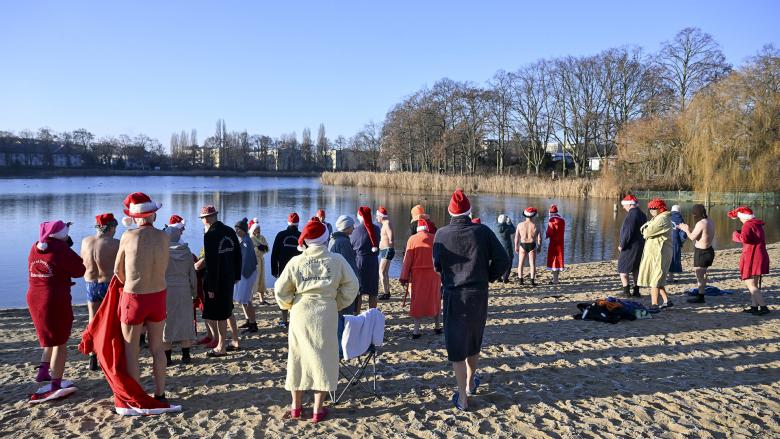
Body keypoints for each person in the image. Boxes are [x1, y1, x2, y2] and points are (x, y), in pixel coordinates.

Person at [275, 217, 359, 423]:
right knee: (325, 357)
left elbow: (279, 289)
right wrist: (338, 302)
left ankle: (296, 407)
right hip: (326, 311)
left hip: (300, 312)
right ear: (325, 239)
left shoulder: (296, 261)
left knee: (298, 357)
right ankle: (317, 409)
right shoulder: (337, 260)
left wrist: (289, 303)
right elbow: (353, 286)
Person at [433, 189, 510, 411]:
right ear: (469, 211)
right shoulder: (483, 232)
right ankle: (469, 384)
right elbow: (503, 260)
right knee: (474, 341)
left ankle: (462, 397)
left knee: (456, 345)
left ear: (450, 212)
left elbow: (437, 265)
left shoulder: (441, 235)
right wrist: (489, 276)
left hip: (453, 294)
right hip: (478, 293)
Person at [114, 192, 170, 402]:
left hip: (135, 296)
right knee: (157, 348)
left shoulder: (128, 236)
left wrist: (128, 282)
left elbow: (117, 271)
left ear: (136, 217)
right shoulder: (165, 237)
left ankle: (136, 395)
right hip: (158, 295)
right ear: (153, 216)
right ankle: (160, 393)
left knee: (132, 350)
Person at [27, 220, 86, 403]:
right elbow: (80, 269)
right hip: (54, 299)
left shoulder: (36, 246)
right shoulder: (60, 249)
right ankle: (55, 384)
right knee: (60, 342)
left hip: (34, 297)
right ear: (62, 234)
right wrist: (68, 248)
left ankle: (44, 371)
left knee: (49, 335)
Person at [200, 205, 242, 357]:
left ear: (208, 218)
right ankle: (234, 341)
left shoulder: (210, 234)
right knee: (227, 309)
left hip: (217, 280)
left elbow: (211, 263)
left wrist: (210, 287)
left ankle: (221, 346)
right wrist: (237, 275)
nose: (203, 221)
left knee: (219, 314)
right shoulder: (230, 230)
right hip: (229, 277)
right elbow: (238, 255)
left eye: (203, 218)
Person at [80, 213, 120, 371]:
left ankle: (92, 355)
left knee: (92, 319)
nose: (116, 230)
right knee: (112, 320)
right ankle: (109, 353)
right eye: (115, 227)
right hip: (108, 284)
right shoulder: (115, 243)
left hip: (91, 284)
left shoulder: (85, 241)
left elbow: (82, 261)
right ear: (110, 227)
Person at [162, 215, 196, 365]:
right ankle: (186, 356)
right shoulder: (186, 251)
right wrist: (194, 292)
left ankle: (168, 358)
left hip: (166, 290)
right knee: (185, 322)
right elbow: (192, 274)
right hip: (183, 290)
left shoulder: (162, 252)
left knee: (166, 323)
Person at [400, 218, 442, 338]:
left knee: (417, 300)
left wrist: (404, 276)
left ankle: (416, 330)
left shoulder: (412, 239)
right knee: (435, 299)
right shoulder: (435, 238)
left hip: (418, 275)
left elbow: (407, 259)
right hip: (434, 274)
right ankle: (437, 326)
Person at [729, 206, 771, 315]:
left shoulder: (747, 224)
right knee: (754, 283)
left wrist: (735, 234)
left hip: (752, 256)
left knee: (749, 283)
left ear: (744, 217)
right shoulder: (756, 223)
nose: (740, 220)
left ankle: (763, 307)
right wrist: (741, 232)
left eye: (739, 217)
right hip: (759, 255)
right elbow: (752, 237)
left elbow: (744, 239)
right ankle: (754, 306)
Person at [637, 199, 674, 310]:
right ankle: (667, 301)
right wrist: (645, 228)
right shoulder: (658, 218)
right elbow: (644, 228)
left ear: (660, 208)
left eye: (653, 208)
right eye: (650, 208)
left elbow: (646, 232)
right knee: (658, 278)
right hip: (657, 252)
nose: (651, 210)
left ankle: (654, 305)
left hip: (660, 252)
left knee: (655, 279)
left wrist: (645, 229)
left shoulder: (662, 219)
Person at [679, 204, 715, 304]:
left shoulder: (701, 223)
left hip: (702, 252)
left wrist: (685, 229)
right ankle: (701, 292)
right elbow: (699, 235)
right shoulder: (709, 220)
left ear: (698, 212)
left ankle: (701, 296)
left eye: (694, 213)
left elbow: (692, 238)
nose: (693, 214)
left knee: (699, 275)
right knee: (702, 274)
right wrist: (688, 229)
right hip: (709, 250)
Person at [271, 213, 302, 328]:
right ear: (298, 223)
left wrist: (274, 270)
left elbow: (274, 254)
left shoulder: (281, 235)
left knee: (283, 295)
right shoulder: (301, 236)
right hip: (298, 271)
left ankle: (284, 321)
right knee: (297, 295)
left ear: (288, 222)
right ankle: (294, 319)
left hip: (283, 271)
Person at [351, 206, 380, 313]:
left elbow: (352, 246)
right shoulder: (377, 229)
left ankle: (357, 313)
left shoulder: (356, 230)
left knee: (359, 292)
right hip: (373, 261)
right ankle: (372, 314)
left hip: (360, 262)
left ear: (360, 216)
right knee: (373, 291)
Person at [617, 195, 648, 297]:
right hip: (640, 245)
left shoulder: (632, 214)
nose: (623, 207)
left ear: (630, 204)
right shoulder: (642, 214)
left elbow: (628, 231)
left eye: (625, 205)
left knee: (622, 268)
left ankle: (626, 292)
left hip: (630, 246)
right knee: (636, 268)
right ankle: (636, 291)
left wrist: (622, 244)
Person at [328, 215, 359, 315]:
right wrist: (357, 281)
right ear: (346, 227)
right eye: (351, 226)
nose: (354, 228)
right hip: (343, 282)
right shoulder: (344, 242)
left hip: (334, 280)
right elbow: (350, 264)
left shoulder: (332, 239)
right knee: (346, 310)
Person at [234, 218, 259, 334]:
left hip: (247, 273)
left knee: (247, 299)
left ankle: (253, 324)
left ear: (244, 230)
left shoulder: (247, 242)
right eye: (236, 229)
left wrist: (241, 276)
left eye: (239, 229)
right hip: (243, 273)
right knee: (243, 300)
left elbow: (247, 261)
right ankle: (248, 320)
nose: (237, 231)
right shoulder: (243, 240)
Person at [514, 207, 541, 286]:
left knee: (520, 263)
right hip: (532, 244)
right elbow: (539, 238)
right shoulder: (536, 225)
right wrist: (539, 246)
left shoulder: (520, 225)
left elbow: (516, 237)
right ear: (533, 216)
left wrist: (516, 246)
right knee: (532, 264)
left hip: (523, 244)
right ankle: (532, 281)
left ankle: (520, 281)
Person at [248, 218, 270, 305]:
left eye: (259, 230)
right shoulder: (250, 239)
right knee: (254, 280)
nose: (259, 231)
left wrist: (264, 248)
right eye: (257, 230)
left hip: (261, 261)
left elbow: (267, 248)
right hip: (254, 262)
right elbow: (249, 251)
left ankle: (262, 299)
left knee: (262, 279)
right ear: (253, 230)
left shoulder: (262, 238)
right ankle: (250, 300)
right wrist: (257, 248)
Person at [377, 206, 395, 301]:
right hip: (385, 250)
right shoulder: (384, 224)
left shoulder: (387, 223)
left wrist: (390, 248)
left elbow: (391, 237)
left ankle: (386, 293)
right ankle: (387, 292)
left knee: (381, 272)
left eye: (377, 216)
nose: (376, 218)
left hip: (387, 250)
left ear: (381, 216)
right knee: (385, 272)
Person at [545, 205, 565, 284]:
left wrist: (546, 235)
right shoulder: (562, 220)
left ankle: (555, 280)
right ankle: (556, 279)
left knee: (553, 260)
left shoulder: (552, 220)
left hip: (553, 243)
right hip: (561, 242)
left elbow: (550, 232)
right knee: (558, 260)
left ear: (550, 213)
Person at [667, 205, 686, 283]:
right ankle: (670, 278)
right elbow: (683, 233)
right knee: (673, 258)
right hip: (675, 241)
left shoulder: (666, 217)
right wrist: (681, 241)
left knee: (666, 258)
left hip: (666, 240)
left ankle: (666, 277)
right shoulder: (680, 219)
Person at [496, 214, 516, 283]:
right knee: (509, 262)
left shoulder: (496, 228)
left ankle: (498, 278)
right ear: (505, 221)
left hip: (498, 248)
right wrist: (510, 223)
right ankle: (505, 278)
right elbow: (513, 230)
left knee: (499, 263)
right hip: (507, 248)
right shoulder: (507, 228)